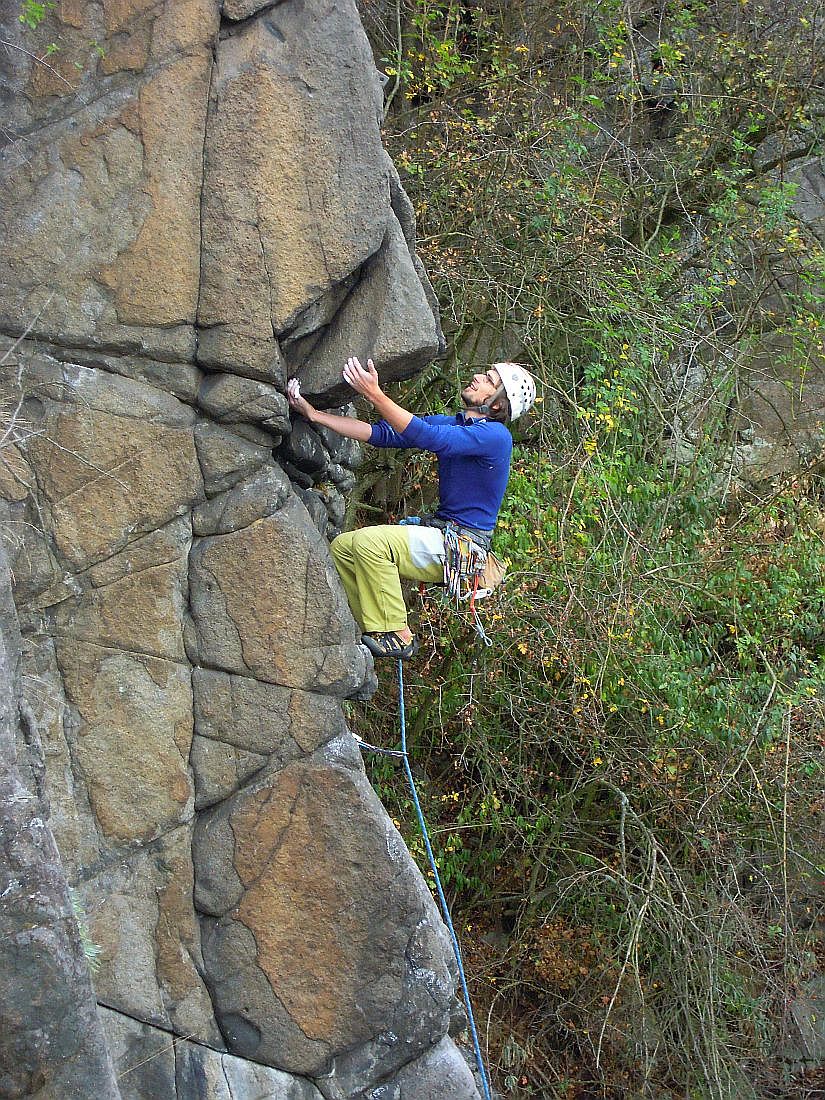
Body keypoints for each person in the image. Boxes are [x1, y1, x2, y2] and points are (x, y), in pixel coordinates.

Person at [286, 356, 536, 658]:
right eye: (484, 372)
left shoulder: (496, 437)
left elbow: (430, 438)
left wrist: (375, 394)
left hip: (463, 544)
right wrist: (314, 415)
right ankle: (367, 627)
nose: (478, 377)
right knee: (343, 546)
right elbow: (382, 434)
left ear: (496, 404)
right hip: (444, 535)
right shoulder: (455, 425)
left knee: (371, 545)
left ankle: (399, 634)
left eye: (489, 380)